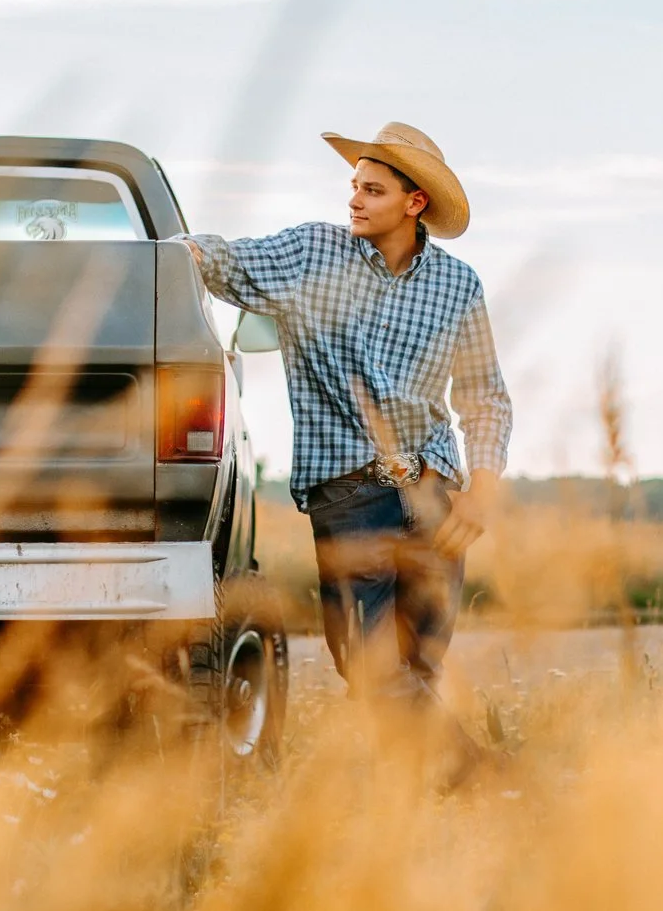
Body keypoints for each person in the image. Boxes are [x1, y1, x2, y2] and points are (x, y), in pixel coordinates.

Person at [177, 122, 512, 732]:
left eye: (373, 190)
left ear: (415, 203)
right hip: (351, 495)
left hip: (434, 494)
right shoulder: (312, 253)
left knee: (419, 666)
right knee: (370, 665)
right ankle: (479, 777)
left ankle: (415, 793)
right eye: (355, 185)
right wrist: (179, 253)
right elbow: (224, 260)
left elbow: (484, 396)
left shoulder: (459, 285)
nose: (354, 199)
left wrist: (483, 488)